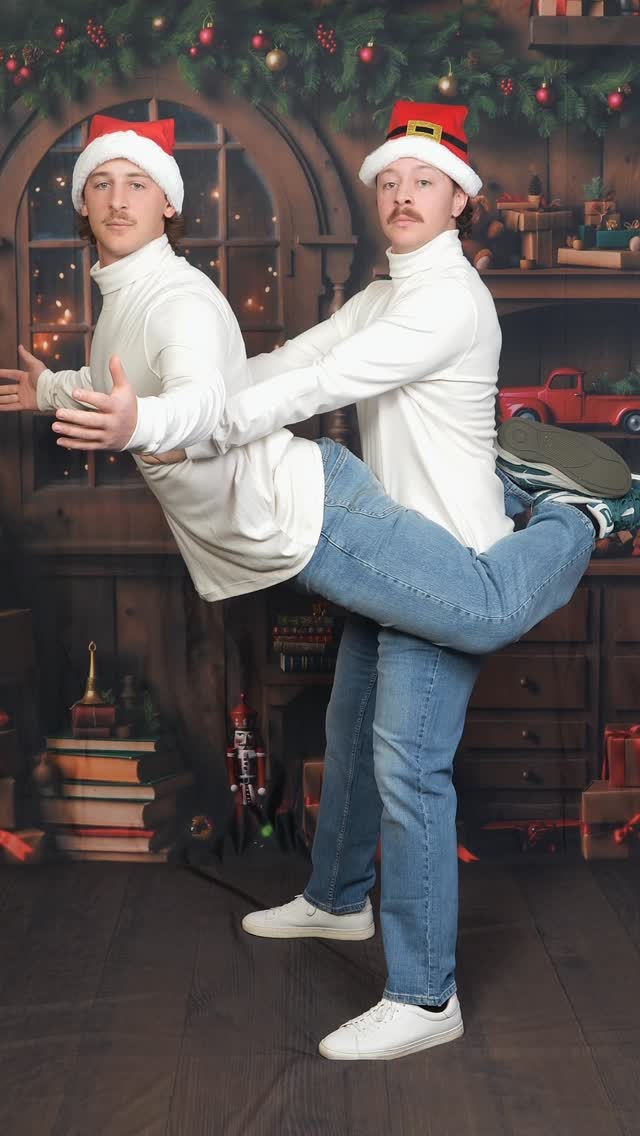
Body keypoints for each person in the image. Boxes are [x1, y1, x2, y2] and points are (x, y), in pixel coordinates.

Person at [3, 107, 638, 1063]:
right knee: (353, 727)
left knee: (418, 747)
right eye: (390, 180)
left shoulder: (447, 300)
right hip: (394, 530)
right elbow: (294, 356)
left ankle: (425, 995)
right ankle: (338, 899)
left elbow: (320, 385)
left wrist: (175, 425)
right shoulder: (390, 290)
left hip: (448, 547)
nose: (402, 195)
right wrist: (84, 394)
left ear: (460, 202)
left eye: (425, 182)